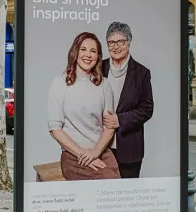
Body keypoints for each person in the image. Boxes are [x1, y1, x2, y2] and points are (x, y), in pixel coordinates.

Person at [47, 32, 119, 180]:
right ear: (75, 52)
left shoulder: (104, 84)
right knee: (106, 182)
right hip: (73, 154)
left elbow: (109, 126)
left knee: (115, 184)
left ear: (98, 57)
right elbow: (55, 129)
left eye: (93, 51)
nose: (88, 55)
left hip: (101, 150)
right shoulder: (60, 83)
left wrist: (95, 152)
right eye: (83, 49)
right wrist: (83, 154)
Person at [100, 22, 153, 180]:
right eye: (111, 42)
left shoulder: (142, 73)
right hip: (101, 147)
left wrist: (119, 120)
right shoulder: (98, 68)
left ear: (129, 42)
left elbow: (147, 109)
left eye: (120, 41)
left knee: (126, 197)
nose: (115, 46)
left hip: (129, 148)